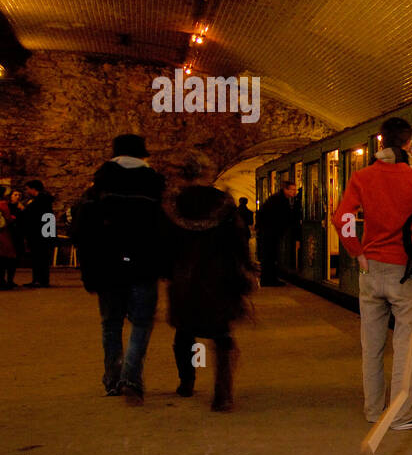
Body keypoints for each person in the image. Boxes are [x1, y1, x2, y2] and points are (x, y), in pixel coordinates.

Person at [331, 117, 412, 430]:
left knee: (372, 343)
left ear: (381, 144)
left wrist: (357, 251)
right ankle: (404, 413)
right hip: (404, 270)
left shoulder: (362, 177)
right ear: (408, 144)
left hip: (371, 269)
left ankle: (374, 410)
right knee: (406, 342)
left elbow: (342, 218)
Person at [72, 134, 167, 404]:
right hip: (144, 265)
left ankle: (113, 380)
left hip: (107, 267)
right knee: (142, 323)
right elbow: (163, 229)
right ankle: (131, 377)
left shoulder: (98, 187)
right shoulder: (154, 186)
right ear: (142, 154)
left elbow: (80, 231)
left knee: (111, 325)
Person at [165, 164, 257, 411]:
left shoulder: (173, 205)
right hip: (220, 277)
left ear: (183, 175)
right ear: (206, 174)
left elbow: (164, 244)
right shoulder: (223, 204)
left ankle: (187, 381)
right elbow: (239, 240)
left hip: (184, 279)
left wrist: (167, 272)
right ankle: (223, 393)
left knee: (185, 333)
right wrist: (246, 267)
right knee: (222, 337)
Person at [256, 179, 298, 286]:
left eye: (295, 189)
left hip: (270, 232)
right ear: (285, 189)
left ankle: (268, 279)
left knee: (270, 256)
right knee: (270, 256)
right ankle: (269, 280)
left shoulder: (277, 198)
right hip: (271, 232)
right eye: (292, 190)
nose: (295, 192)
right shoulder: (279, 200)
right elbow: (284, 217)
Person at [19, 180, 55, 287]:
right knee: (41, 257)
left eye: (27, 189)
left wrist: (23, 209)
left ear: (33, 189)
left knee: (38, 257)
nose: (27, 191)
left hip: (39, 233)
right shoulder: (45, 200)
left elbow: (31, 215)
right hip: (45, 232)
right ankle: (41, 279)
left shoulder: (39, 201)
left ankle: (39, 280)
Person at [0, 186, 17, 289]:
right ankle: (5, 281)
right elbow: (8, 219)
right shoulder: (3, 205)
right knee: (6, 258)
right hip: (3, 233)